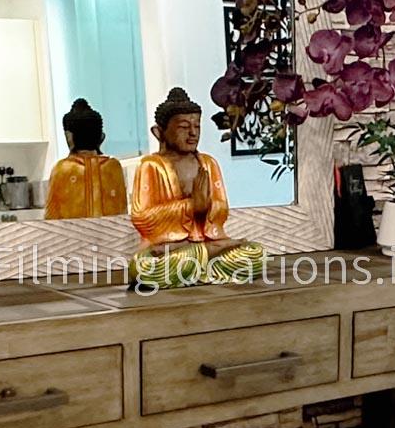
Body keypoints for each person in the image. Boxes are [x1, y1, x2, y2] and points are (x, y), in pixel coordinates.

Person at [128, 87, 266, 287]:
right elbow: (141, 216)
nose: (193, 133)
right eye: (183, 127)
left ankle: (204, 256)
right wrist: (190, 206)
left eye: (197, 126)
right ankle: (208, 255)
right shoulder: (151, 166)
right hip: (169, 248)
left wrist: (207, 207)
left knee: (255, 253)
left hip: (204, 240)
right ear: (159, 132)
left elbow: (222, 208)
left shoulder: (208, 163)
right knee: (143, 267)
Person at [42, 99, 127, 220]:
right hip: (112, 232)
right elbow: (123, 214)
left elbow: (51, 218)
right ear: (101, 136)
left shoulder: (62, 169)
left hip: (71, 232)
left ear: (70, 137)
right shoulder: (113, 166)